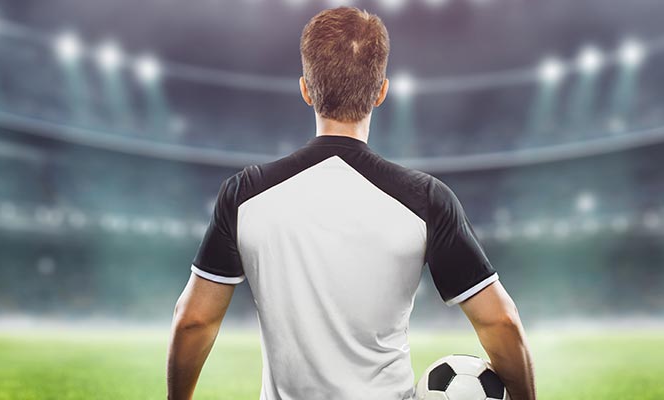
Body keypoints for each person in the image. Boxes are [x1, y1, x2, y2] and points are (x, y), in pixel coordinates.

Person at [167, 7, 535, 400]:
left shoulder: (244, 194)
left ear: (306, 89)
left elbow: (194, 321)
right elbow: (501, 323)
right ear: (381, 92)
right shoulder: (426, 200)